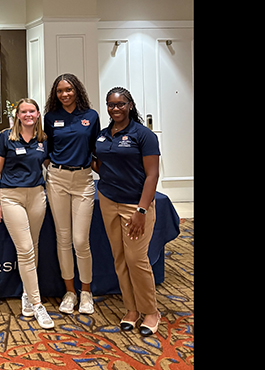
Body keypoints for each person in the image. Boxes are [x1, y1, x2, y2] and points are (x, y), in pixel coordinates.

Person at [92, 86, 161, 337]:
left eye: (120, 104)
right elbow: (101, 165)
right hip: (109, 200)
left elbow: (152, 174)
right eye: (111, 104)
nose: (115, 109)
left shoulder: (143, 135)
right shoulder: (102, 135)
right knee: (119, 258)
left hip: (135, 205)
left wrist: (142, 209)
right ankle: (131, 310)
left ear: (130, 105)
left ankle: (151, 312)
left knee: (136, 259)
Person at [0, 98, 54, 329]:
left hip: (37, 195)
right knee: (25, 249)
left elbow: (48, 166)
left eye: (32, 111)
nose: (28, 115)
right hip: (11, 197)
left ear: (37, 114)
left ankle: (27, 294)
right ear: (17, 115)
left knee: (33, 246)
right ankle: (38, 305)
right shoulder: (6, 137)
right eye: (23, 111)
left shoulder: (43, 139)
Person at [42, 73, 101, 315]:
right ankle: (70, 292)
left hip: (83, 180)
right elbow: (46, 149)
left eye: (68, 89)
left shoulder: (91, 116)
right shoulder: (50, 117)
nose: (64, 94)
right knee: (63, 238)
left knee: (80, 240)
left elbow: (96, 149)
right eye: (59, 91)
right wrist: (54, 169)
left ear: (77, 90)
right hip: (57, 179)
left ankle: (86, 292)